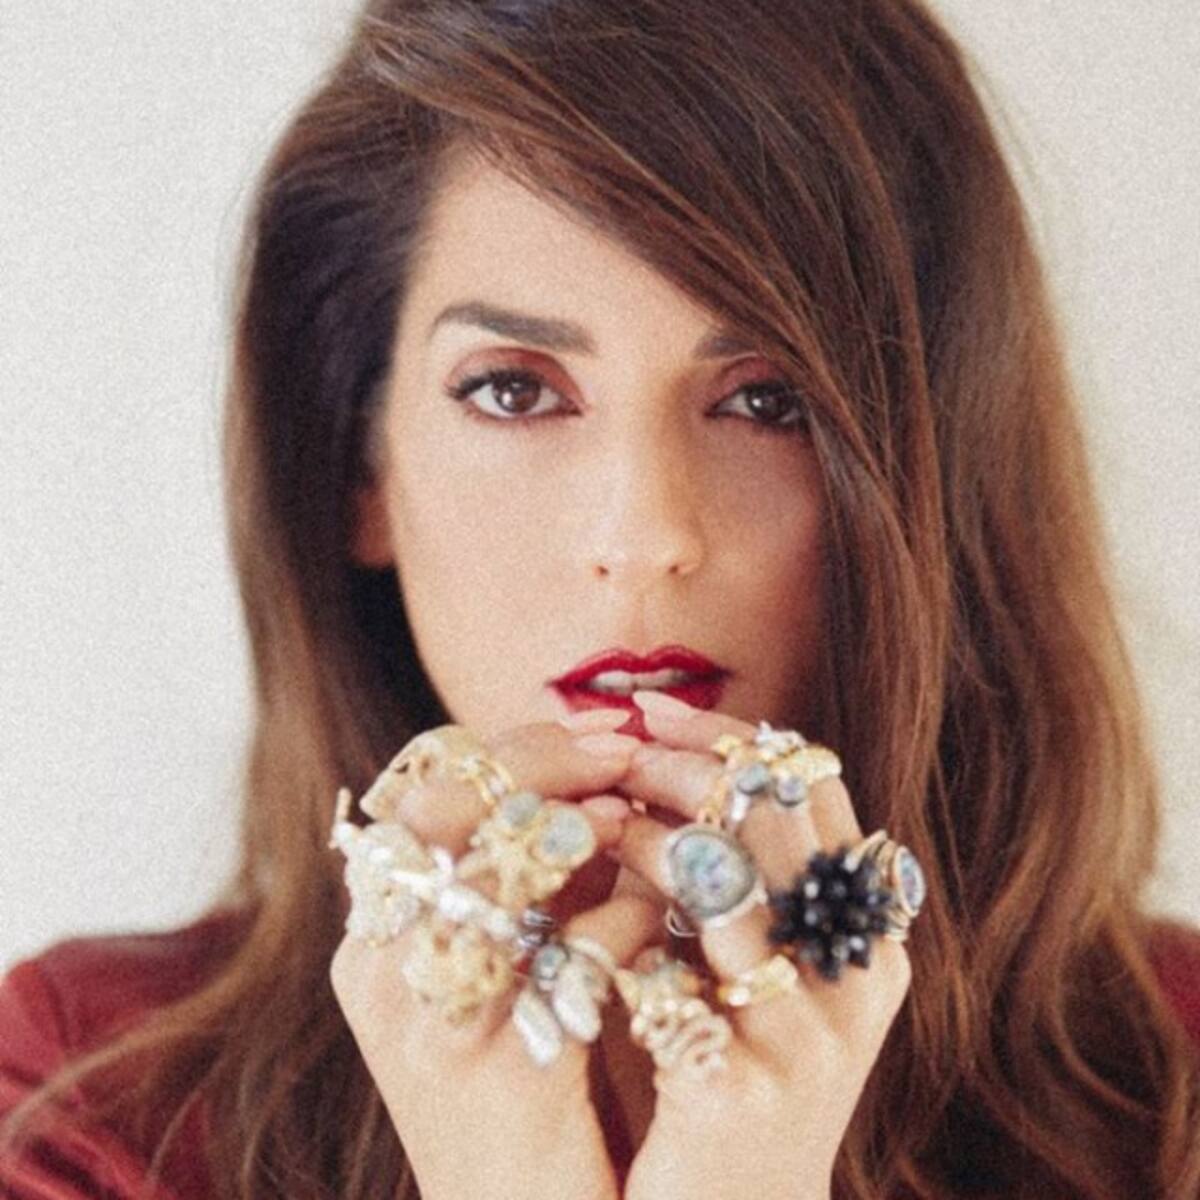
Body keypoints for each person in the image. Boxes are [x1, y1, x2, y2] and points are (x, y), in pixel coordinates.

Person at [2, 0, 1199, 1197]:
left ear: (939, 470)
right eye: (514, 391)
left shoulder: (1175, 1090)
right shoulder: (88, 1106)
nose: (643, 539)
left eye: (769, 401)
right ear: (361, 468)